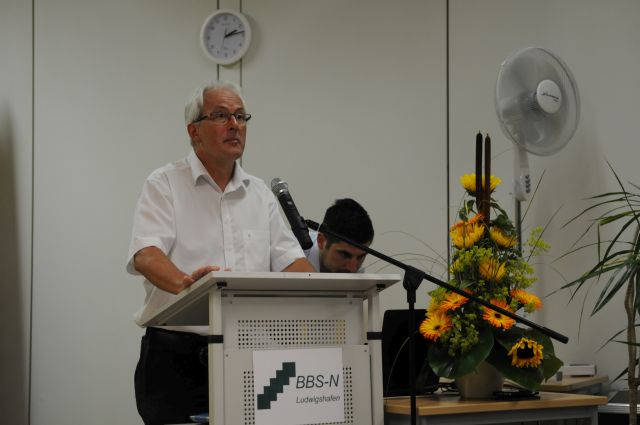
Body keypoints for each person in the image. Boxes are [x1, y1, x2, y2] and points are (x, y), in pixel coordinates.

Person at [126, 80, 315, 425]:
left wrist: (324, 290)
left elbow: (293, 263)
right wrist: (189, 285)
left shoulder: (259, 194)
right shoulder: (164, 183)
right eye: (221, 116)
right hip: (178, 358)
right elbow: (146, 255)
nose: (234, 125)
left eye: (241, 117)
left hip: (250, 353)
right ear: (194, 131)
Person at [306, 198, 374, 273]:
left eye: (360, 257)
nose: (353, 268)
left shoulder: (356, 272)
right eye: (344, 254)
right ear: (321, 241)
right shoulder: (297, 253)